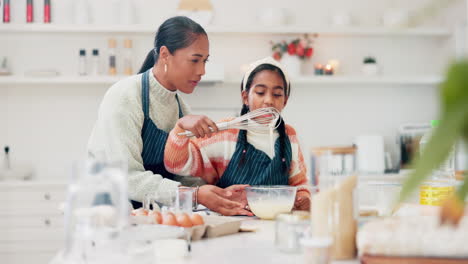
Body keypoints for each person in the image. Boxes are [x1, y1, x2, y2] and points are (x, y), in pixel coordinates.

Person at [87, 16, 251, 216]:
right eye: (194, 60)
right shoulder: (125, 96)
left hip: (149, 214)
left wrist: (218, 193)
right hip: (111, 214)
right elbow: (126, 177)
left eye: (205, 61)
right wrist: (196, 194)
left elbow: (182, 176)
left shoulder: (181, 108)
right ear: (165, 54)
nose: (202, 71)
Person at [164, 57, 311, 210]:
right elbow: (175, 164)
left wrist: (304, 198)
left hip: (276, 223)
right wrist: (180, 127)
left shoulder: (289, 135)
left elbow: (299, 184)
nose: (269, 100)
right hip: (231, 223)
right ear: (245, 97)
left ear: (285, 101)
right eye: (260, 92)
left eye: (277, 95)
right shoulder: (225, 134)